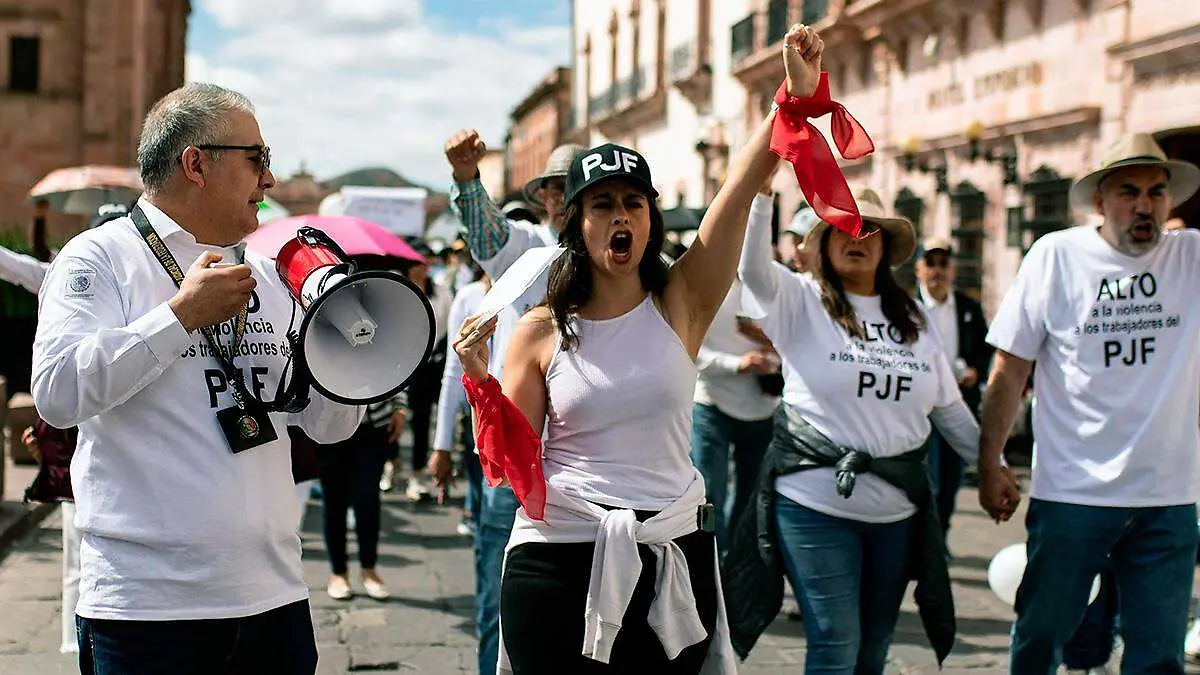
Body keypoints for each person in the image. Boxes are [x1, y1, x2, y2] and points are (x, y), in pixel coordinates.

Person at [451, 24, 827, 673]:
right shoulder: (539, 328)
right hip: (557, 557)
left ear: (651, 218)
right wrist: (480, 382)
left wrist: (790, 100)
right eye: (601, 205)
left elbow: (737, 189)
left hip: (669, 554)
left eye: (634, 202)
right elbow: (515, 462)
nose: (620, 216)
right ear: (575, 222)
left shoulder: (683, 300)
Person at [31, 83, 363, 674]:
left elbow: (329, 426)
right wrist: (181, 316)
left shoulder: (270, 274)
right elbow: (57, 393)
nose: (270, 179)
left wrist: (353, 359)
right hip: (146, 609)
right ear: (196, 164)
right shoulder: (99, 257)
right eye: (257, 158)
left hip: (273, 597)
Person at [725, 185, 1008, 673]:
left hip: (896, 513)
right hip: (814, 506)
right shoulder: (800, 298)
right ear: (824, 243)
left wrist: (993, 467)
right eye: (843, 228)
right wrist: (761, 199)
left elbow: (949, 408)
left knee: (874, 647)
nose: (857, 237)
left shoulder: (914, 317)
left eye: (869, 230)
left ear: (886, 247)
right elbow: (752, 271)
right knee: (836, 642)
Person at [978, 132, 1200, 674]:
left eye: (1156, 192)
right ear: (1100, 201)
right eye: (1129, 192)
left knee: (1159, 655)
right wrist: (989, 462)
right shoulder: (1057, 256)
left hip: (1167, 497)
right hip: (1073, 492)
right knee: (1041, 635)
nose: (1144, 205)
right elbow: (1010, 369)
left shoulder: (1190, 257)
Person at [689, 178, 781, 556]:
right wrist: (737, 363)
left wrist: (770, 347)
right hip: (712, 404)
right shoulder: (706, 281)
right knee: (707, 494)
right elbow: (688, 349)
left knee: (750, 498)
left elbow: (799, 345)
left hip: (760, 409)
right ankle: (710, 566)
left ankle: (735, 569)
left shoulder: (773, 285)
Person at [914, 237, 993, 548]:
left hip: (959, 405)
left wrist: (975, 371)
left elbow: (984, 351)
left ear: (953, 268)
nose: (937, 270)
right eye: (930, 263)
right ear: (919, 268)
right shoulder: (907, 307)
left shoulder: (968, 307)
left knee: (950, 481)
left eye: (943, 263)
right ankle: (924, 544)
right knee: (929, 480)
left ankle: (940, 541)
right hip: (922, 410)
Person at [319, 391, 407, 601]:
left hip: (374, 422)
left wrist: (400, 407)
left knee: (367, 498)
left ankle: (369, 569)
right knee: (334, 499)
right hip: (329, 420)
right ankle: (338, 572)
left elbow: (398, 372)